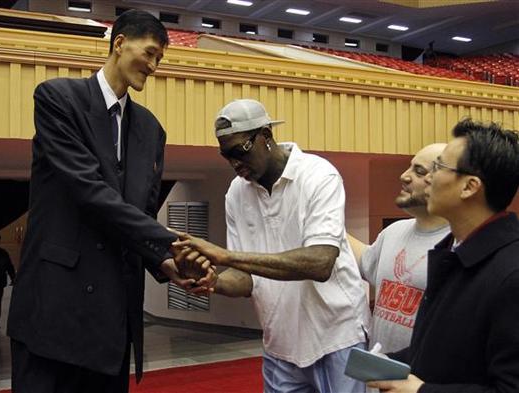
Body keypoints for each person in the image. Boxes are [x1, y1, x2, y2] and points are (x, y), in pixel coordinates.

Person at [7, 10, 213, 393]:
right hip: (53, 315)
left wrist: (168, 263)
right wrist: (174, 240)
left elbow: (139, 216)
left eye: (160, 59)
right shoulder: (57, 99)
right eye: (150, 53)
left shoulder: (152, 130)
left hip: (113, 326)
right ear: (120, 44)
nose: (153, 66)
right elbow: (91, 193)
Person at [174, 99, 370, 393]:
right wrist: (212, 281)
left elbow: (321, 262)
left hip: (337, 337)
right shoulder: (236, 194)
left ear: (266, 136)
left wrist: (225, 255)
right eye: (226, 155)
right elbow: (246, 279)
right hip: (280, 344)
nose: (235, 163)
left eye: (240, 150)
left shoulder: (318, 175)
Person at [368, 119, 519, 392]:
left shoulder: (511, 273)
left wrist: (421, 391)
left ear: (469, 187)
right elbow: (445, 349)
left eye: (438, 168)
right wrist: (391, 363)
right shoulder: (452, 251)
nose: (429, 178)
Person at [348, 143, 449, 354]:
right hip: (380, 375)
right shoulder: (394, 231)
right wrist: (323, 222)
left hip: (423, 382)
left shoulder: (459, 246)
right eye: (409, 167)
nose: (404, 176)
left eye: (419, 171)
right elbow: (365, 260)